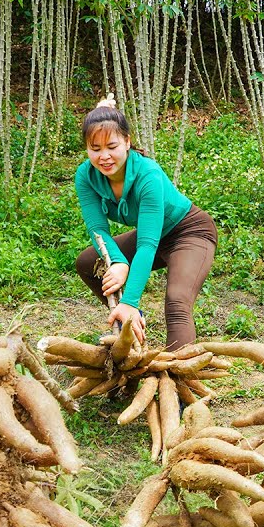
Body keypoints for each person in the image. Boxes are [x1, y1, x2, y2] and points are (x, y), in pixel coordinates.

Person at [73, 98, 217, 350]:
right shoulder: (86, 176)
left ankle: (176, 375)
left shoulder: (148, 174)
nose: (104, 156)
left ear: (127, 142)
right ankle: (132, 322)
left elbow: (147, 246)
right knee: (88, 263)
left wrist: (129, 299)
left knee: (176, 301)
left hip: (189, 232)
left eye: (112, 146)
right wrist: (118, 262)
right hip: (153, 236)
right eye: (95, 148)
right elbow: (98, 231)